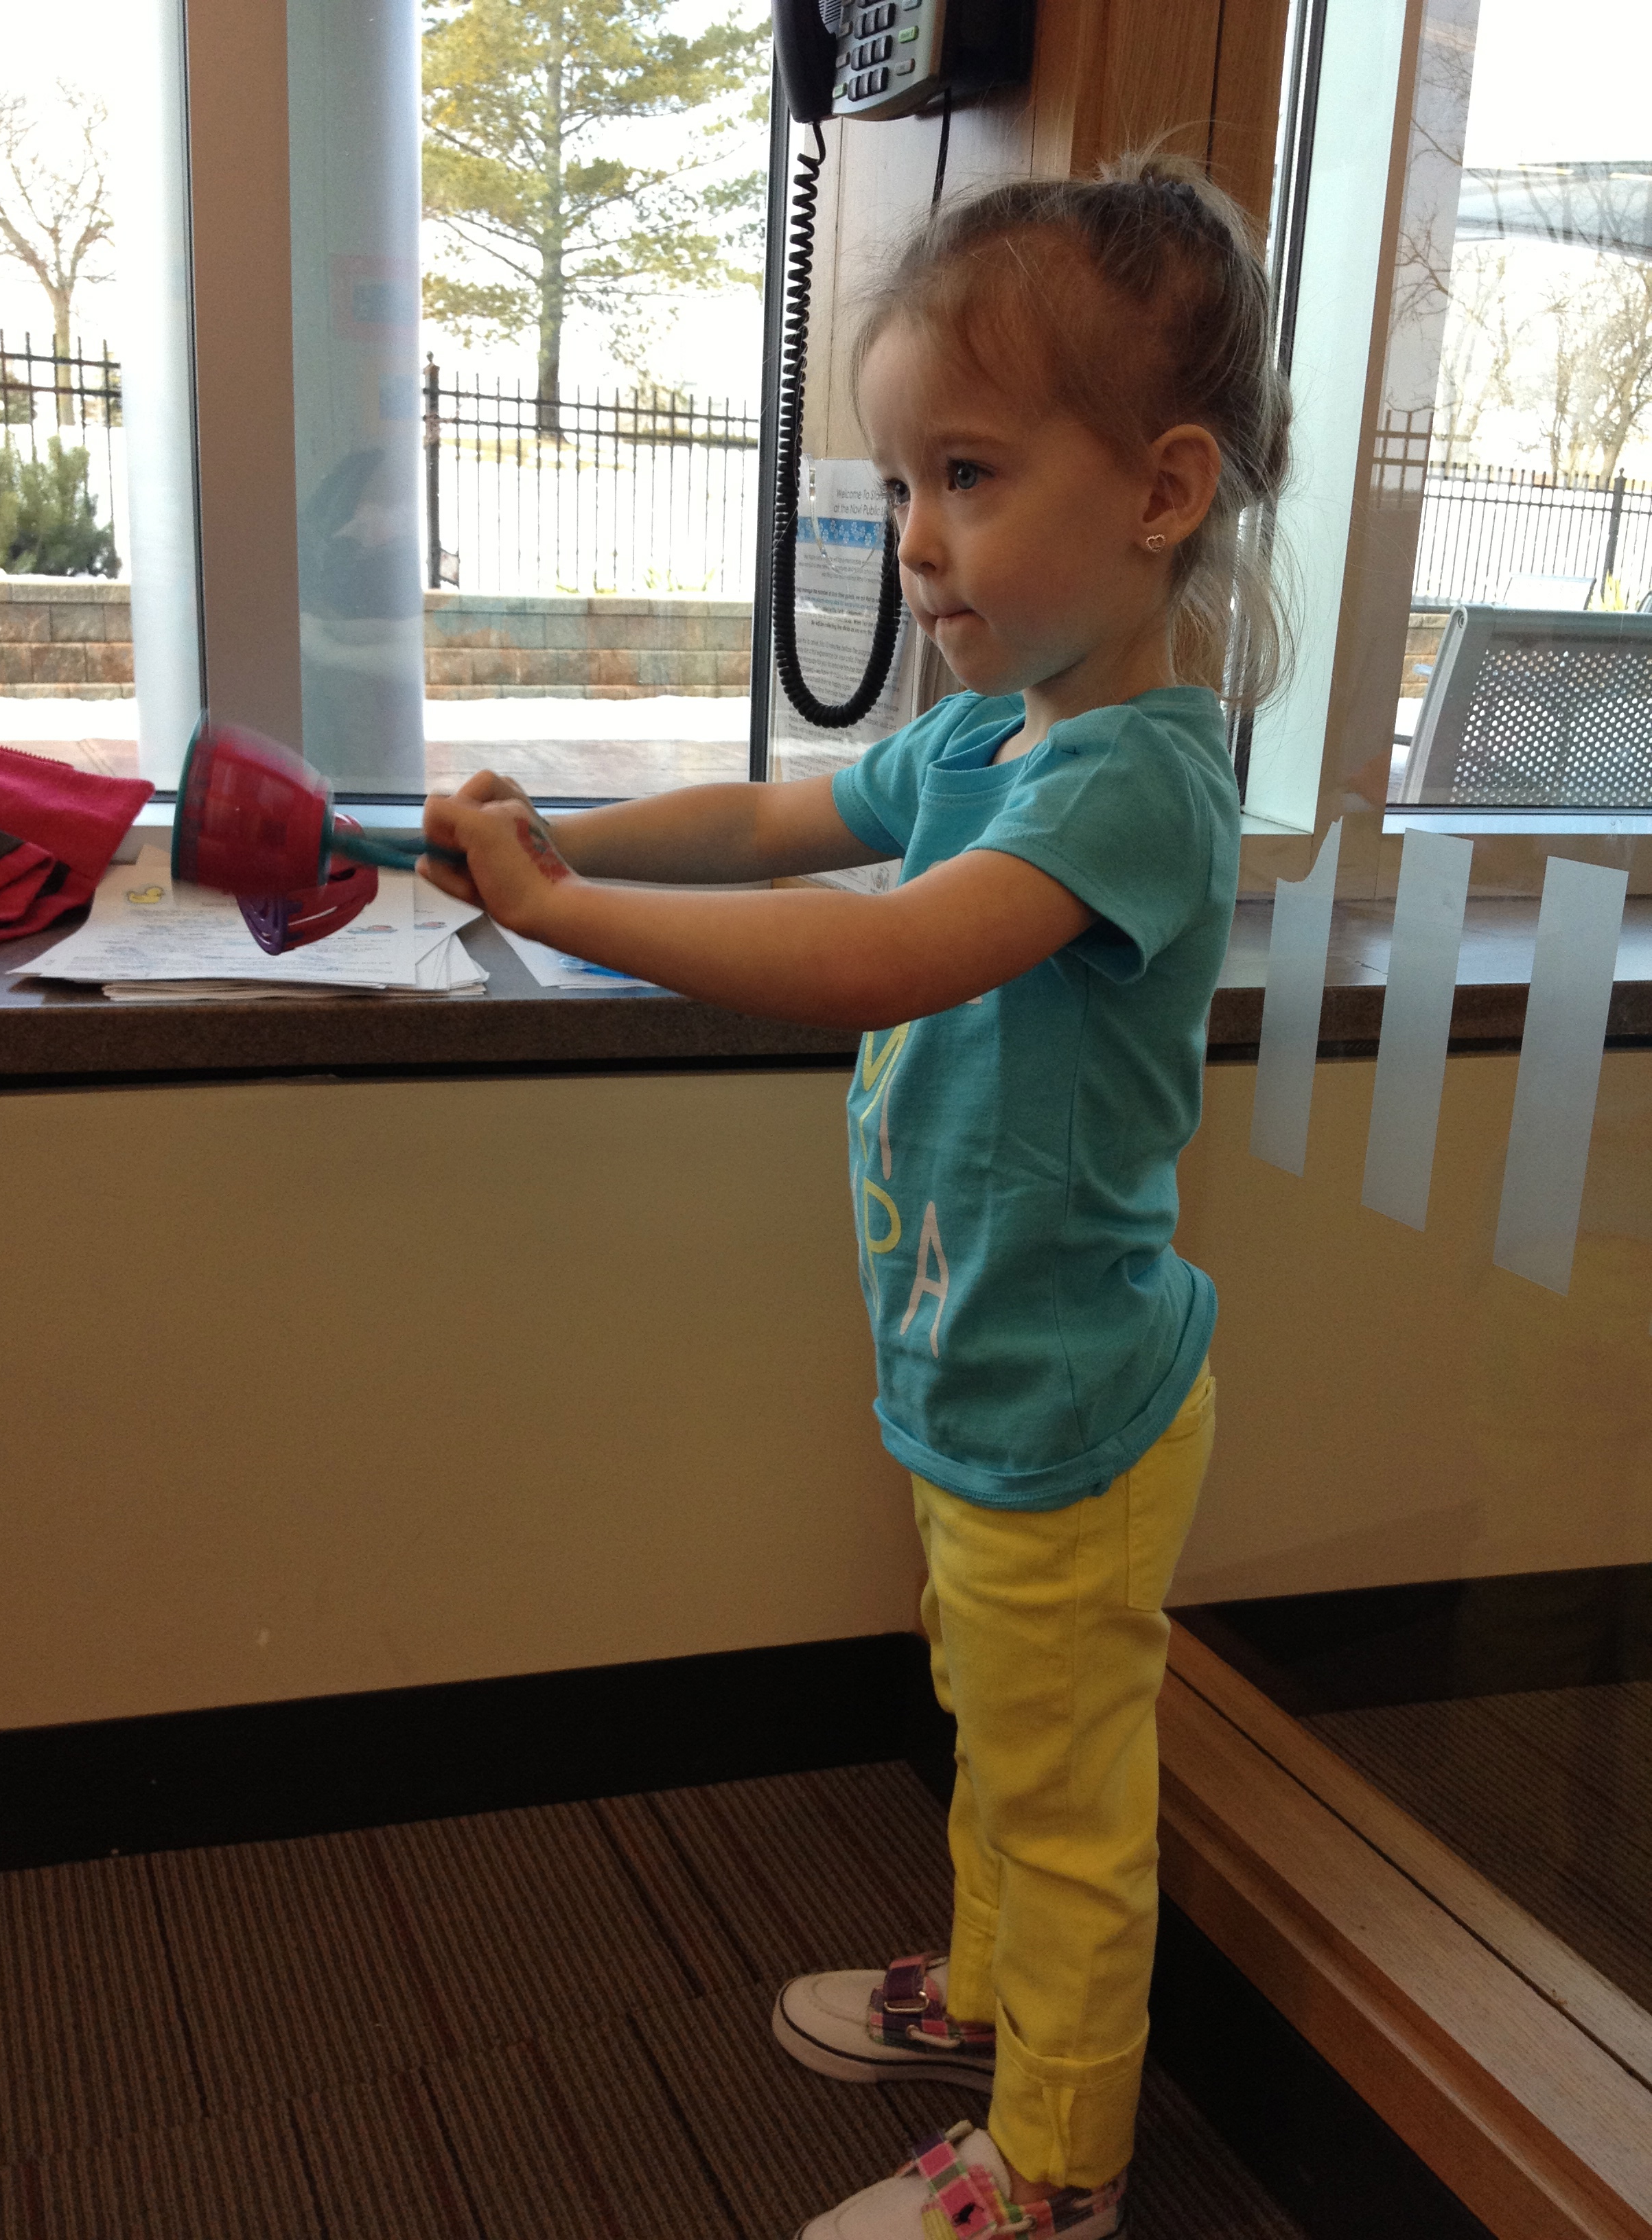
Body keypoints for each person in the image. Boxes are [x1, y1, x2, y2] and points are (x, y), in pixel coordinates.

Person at [422, 154, 1292, 2240]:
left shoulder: (1137, 782)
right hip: (972, 1382)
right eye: (906, 484)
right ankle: (990, 2006)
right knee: (996, 1728)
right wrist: (563, 836)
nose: (914, 539)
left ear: (1163, 490)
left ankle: (1060, 2166)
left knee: (1066, 1800)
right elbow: (768, 816)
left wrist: (568, 914)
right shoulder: (988, 740)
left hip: (1065, 1412)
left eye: (967, 476)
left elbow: (882, 955)